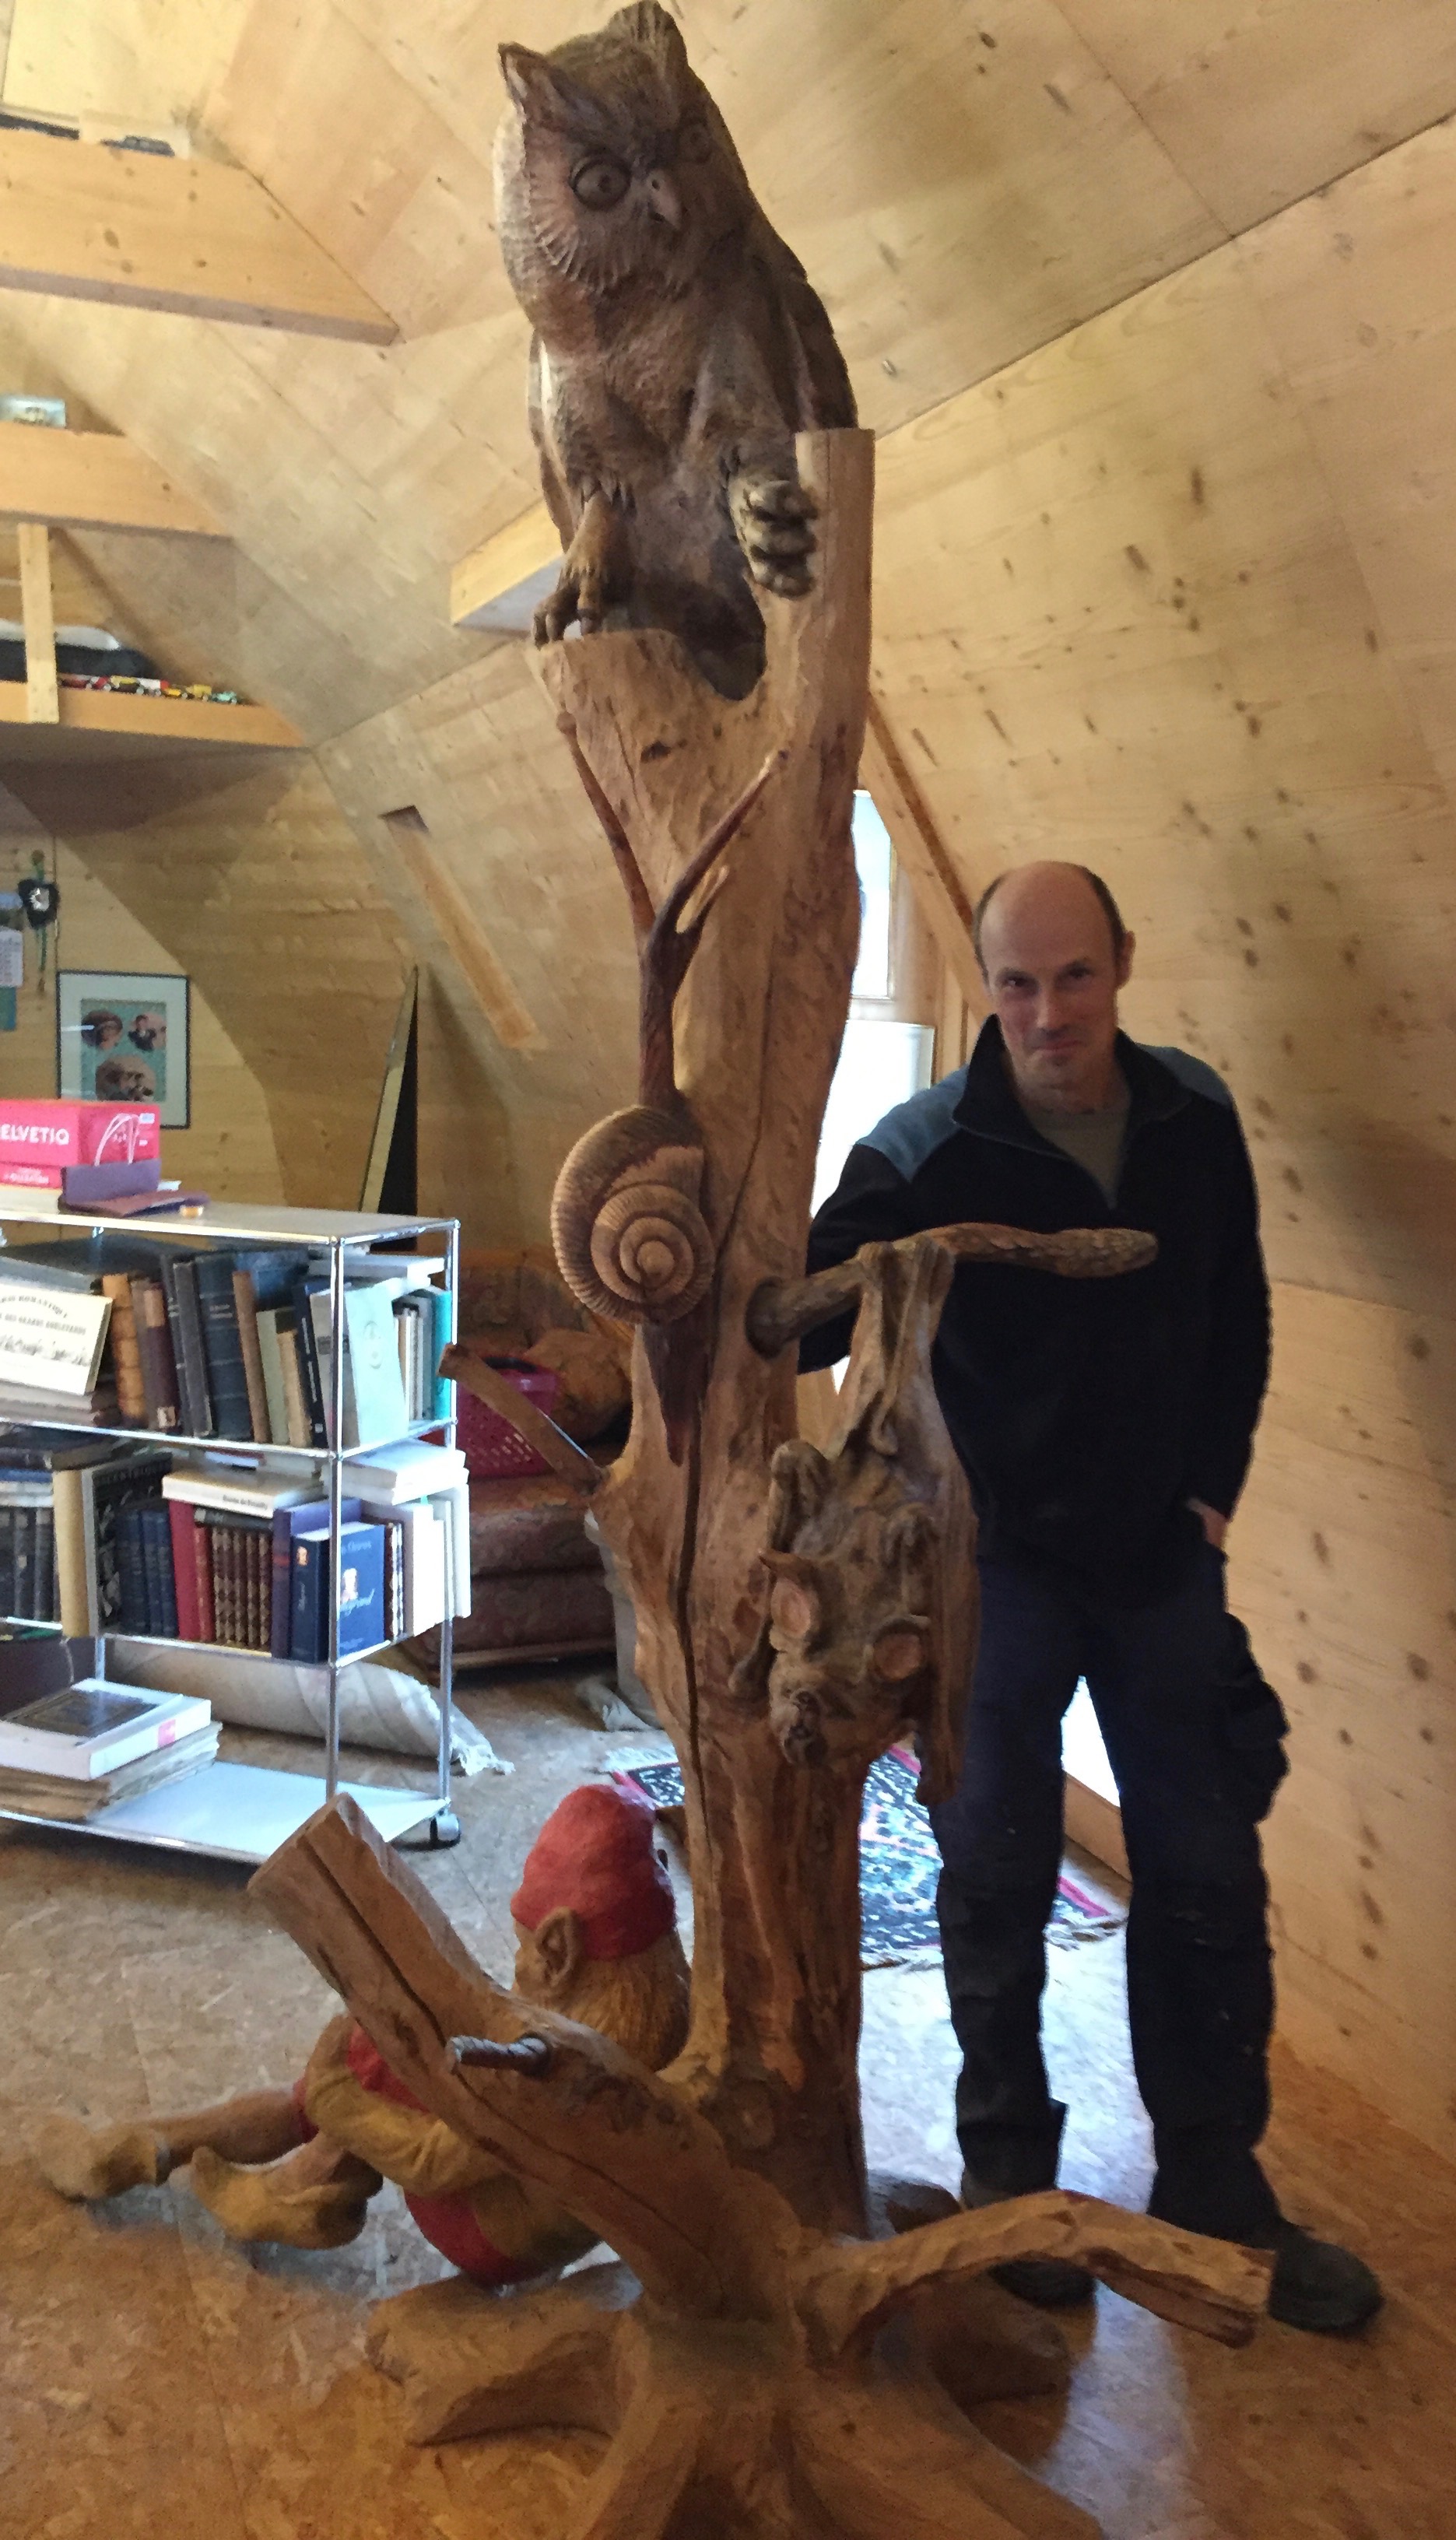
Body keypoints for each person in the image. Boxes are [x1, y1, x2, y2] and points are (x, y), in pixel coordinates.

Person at [802, 860, 1381, 2334]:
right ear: (986, 985)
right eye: (1015, 983)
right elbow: (792, 1309)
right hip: (994, 1568)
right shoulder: (924, 1149)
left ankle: (1215, 2192)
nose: (1047, 1012)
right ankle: (1010, 2183)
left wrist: (1212, 1487)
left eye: (1073, 977)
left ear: (1121, 959)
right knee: (994, 1865)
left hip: (1159, 1560)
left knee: (1206, 1870)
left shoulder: (1192, 1118)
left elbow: (1238, 1308)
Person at [36, 1783, 689, 2283]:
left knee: (374, 2059)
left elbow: (431, 2163)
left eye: (526, 1947)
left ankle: (272, 2184)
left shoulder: (565, 2071)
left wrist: (336, 2099)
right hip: (538, 2208)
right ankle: (228, 2167)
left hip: (494, 2236)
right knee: (389, 2047)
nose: (519, 1962)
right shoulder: (663, 2007)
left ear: (558, 1948)